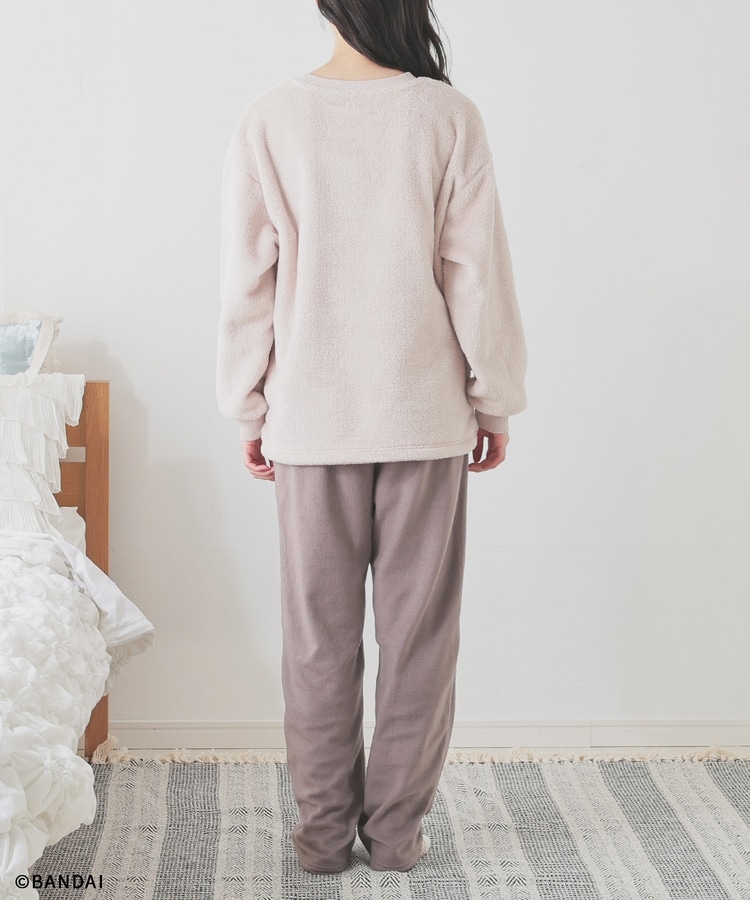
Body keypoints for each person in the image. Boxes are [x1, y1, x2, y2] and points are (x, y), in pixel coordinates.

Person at [216, 0, 528, 876]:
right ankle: (394, 837)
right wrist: (494, 400)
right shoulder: (446, 116)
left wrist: (249, 406)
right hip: (424, 419)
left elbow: (247, 282)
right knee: (419, 640)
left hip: (310, 423)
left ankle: (322, 840)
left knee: (318, 641)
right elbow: (476, 274)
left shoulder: (272, 118)